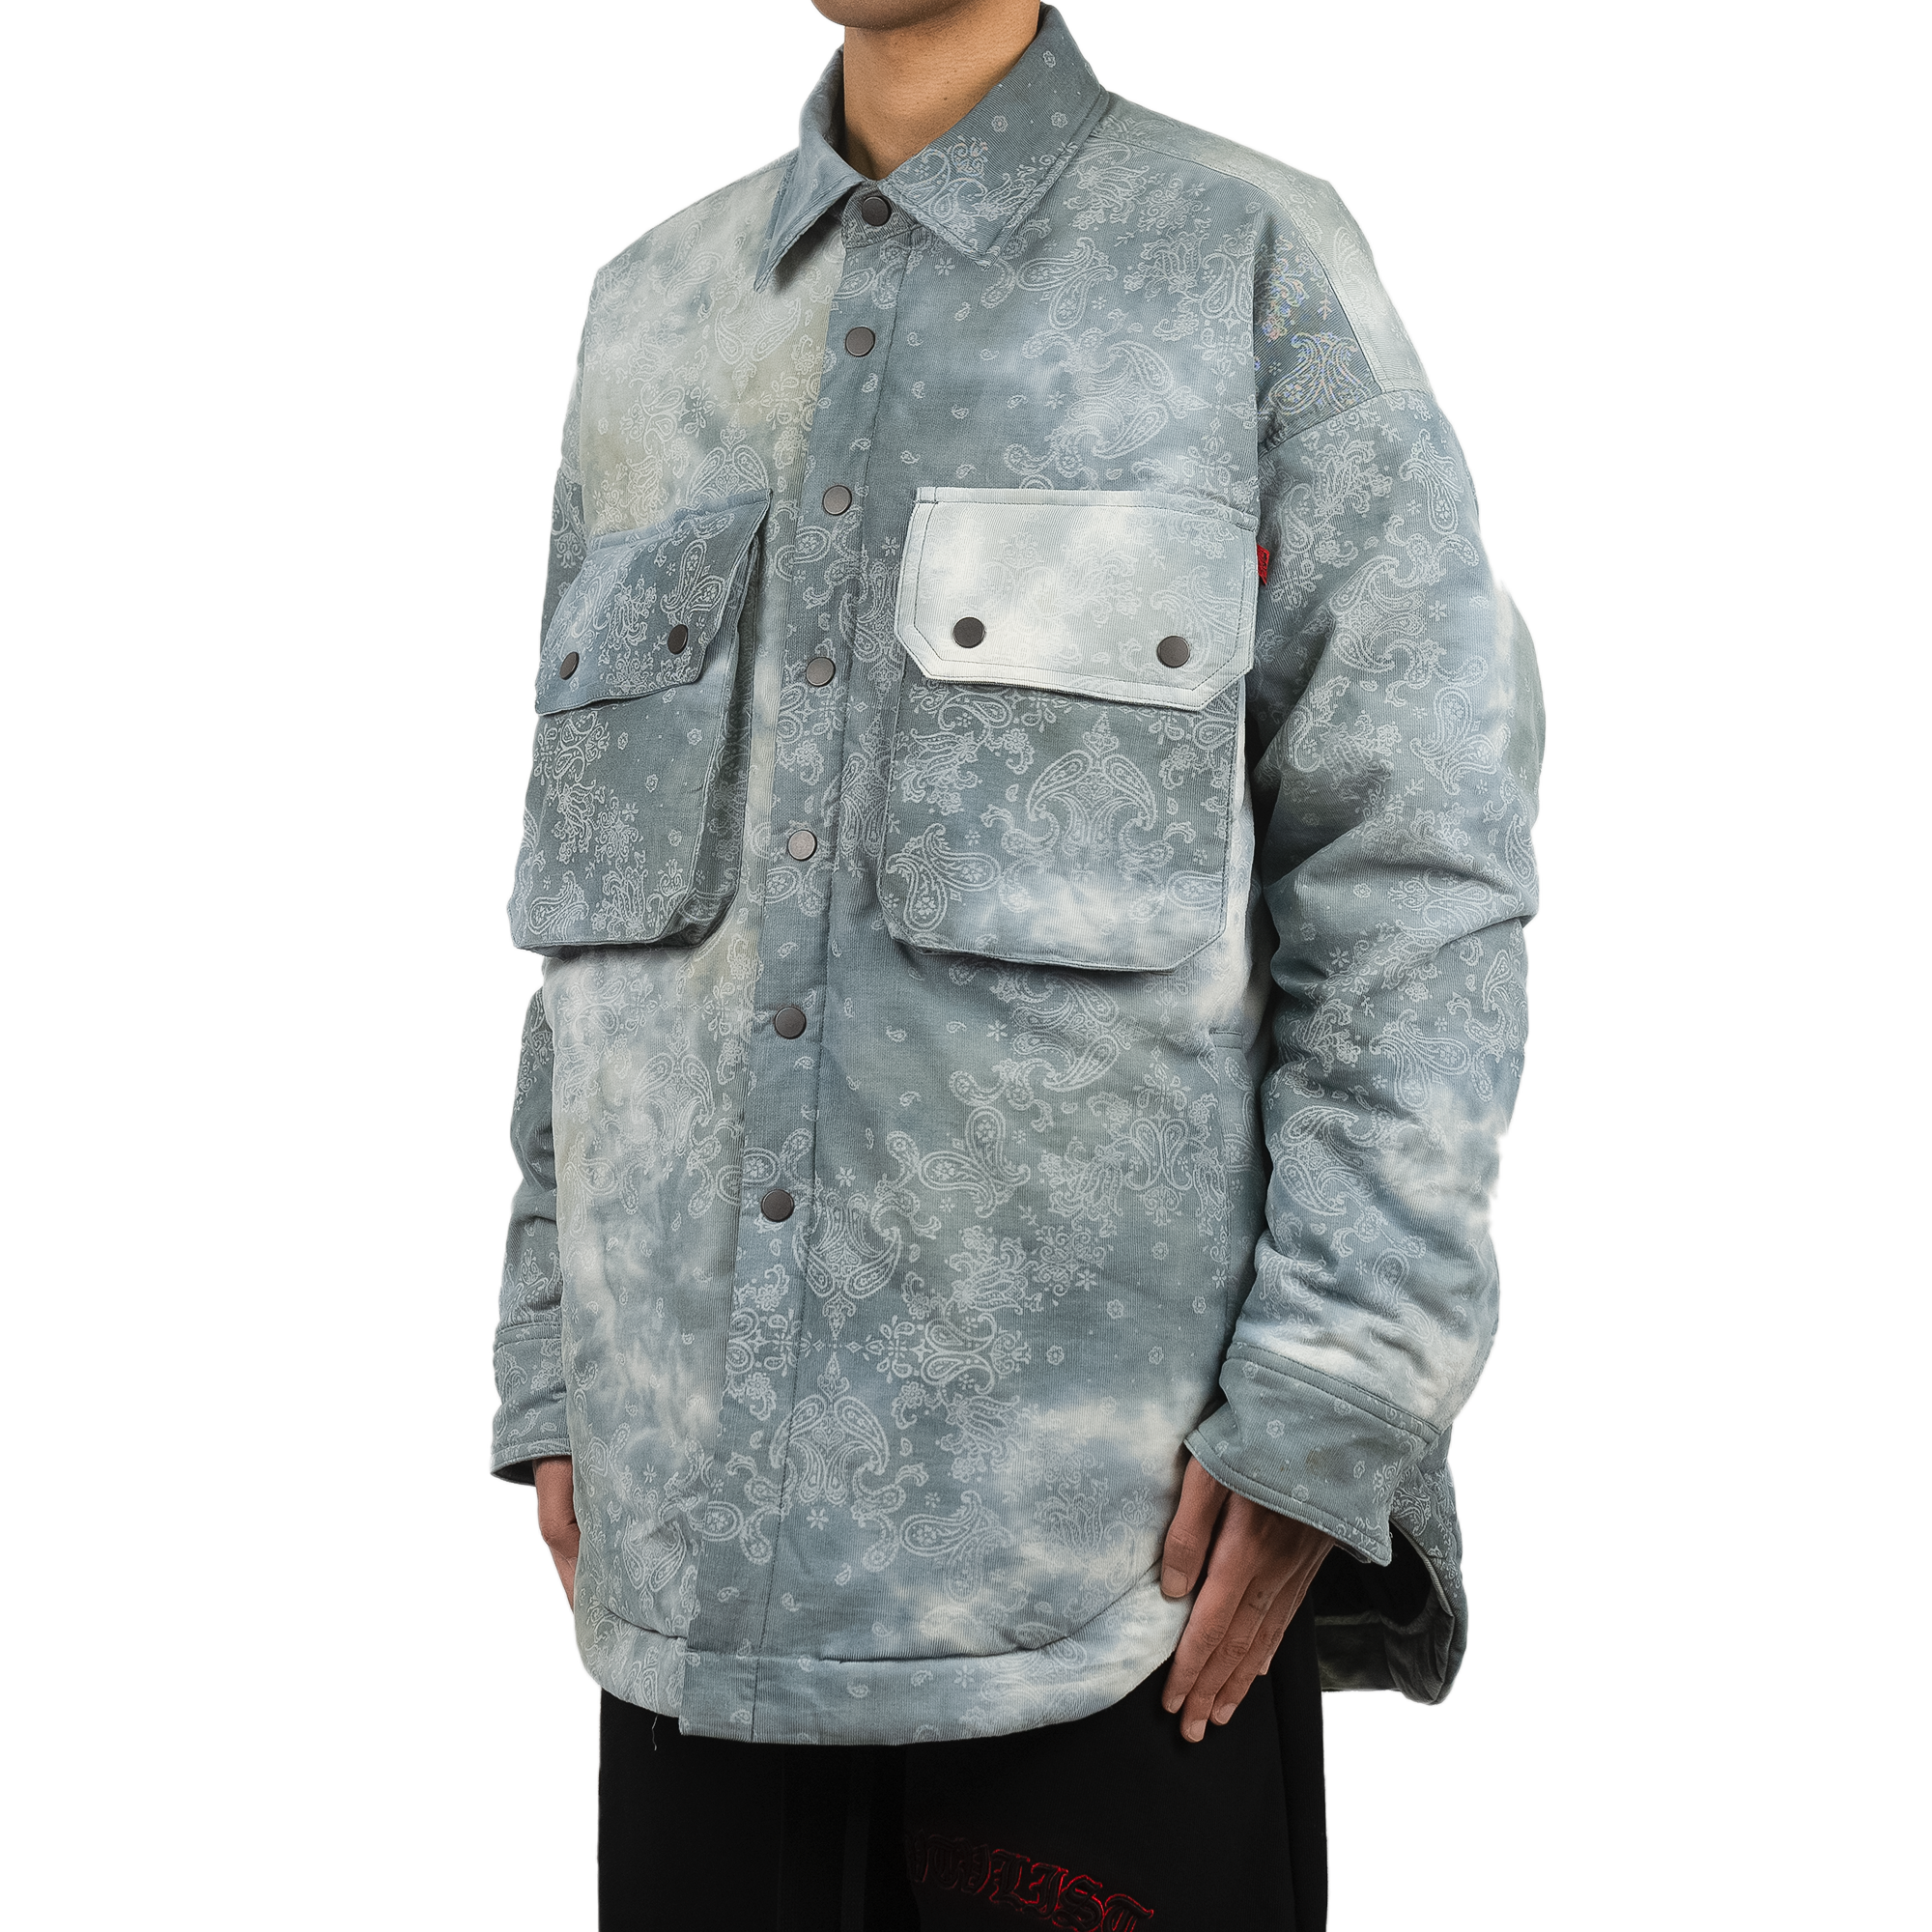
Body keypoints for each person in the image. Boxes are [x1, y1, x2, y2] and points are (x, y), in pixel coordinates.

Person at [491, 2, 1543, 1924]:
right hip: (687, 1576)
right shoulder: (648, 317)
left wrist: (1334, 1395)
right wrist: (553, 1357)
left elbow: (1416, 867)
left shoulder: (1244, 258)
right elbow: (599, 918)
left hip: (1115, 1588)